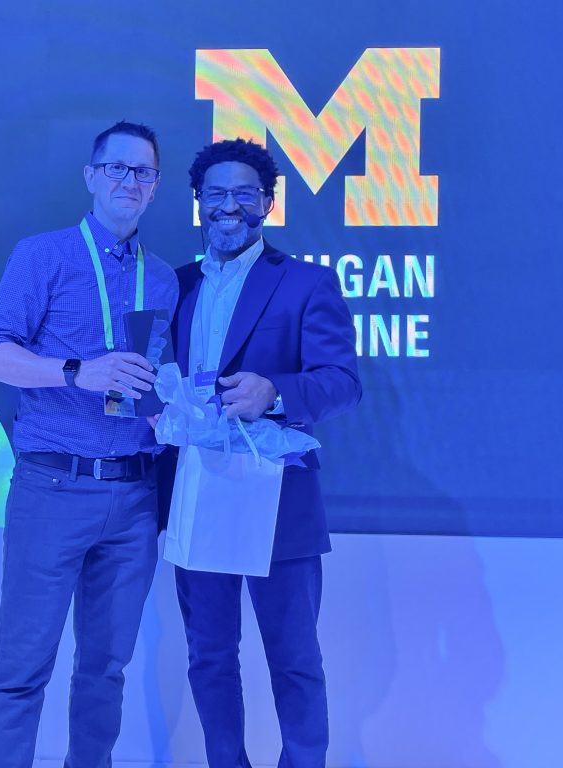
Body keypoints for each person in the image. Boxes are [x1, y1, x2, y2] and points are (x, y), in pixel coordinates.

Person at [0, 121, 178, 768]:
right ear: (91, 176)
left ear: (155, 187)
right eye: (117, 168)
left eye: (143, 172)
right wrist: (75, 372)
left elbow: (153, 379)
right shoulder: (44, 256)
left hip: (134, 496)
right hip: (53, 487)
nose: (129, 181)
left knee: (105, 672)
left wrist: (168, 412)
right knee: (22, 667)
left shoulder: (162, 278)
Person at [169, 138, 361, 768]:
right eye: (216, 193)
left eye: (244, 194)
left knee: (294, 659)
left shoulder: (306, 282)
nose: (230, 206)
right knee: (209, 656)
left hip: (278, 498)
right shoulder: (176, 286)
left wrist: (274, 391)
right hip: (198, 488)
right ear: (198, 203)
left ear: (268, 204)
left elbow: (343, 382)